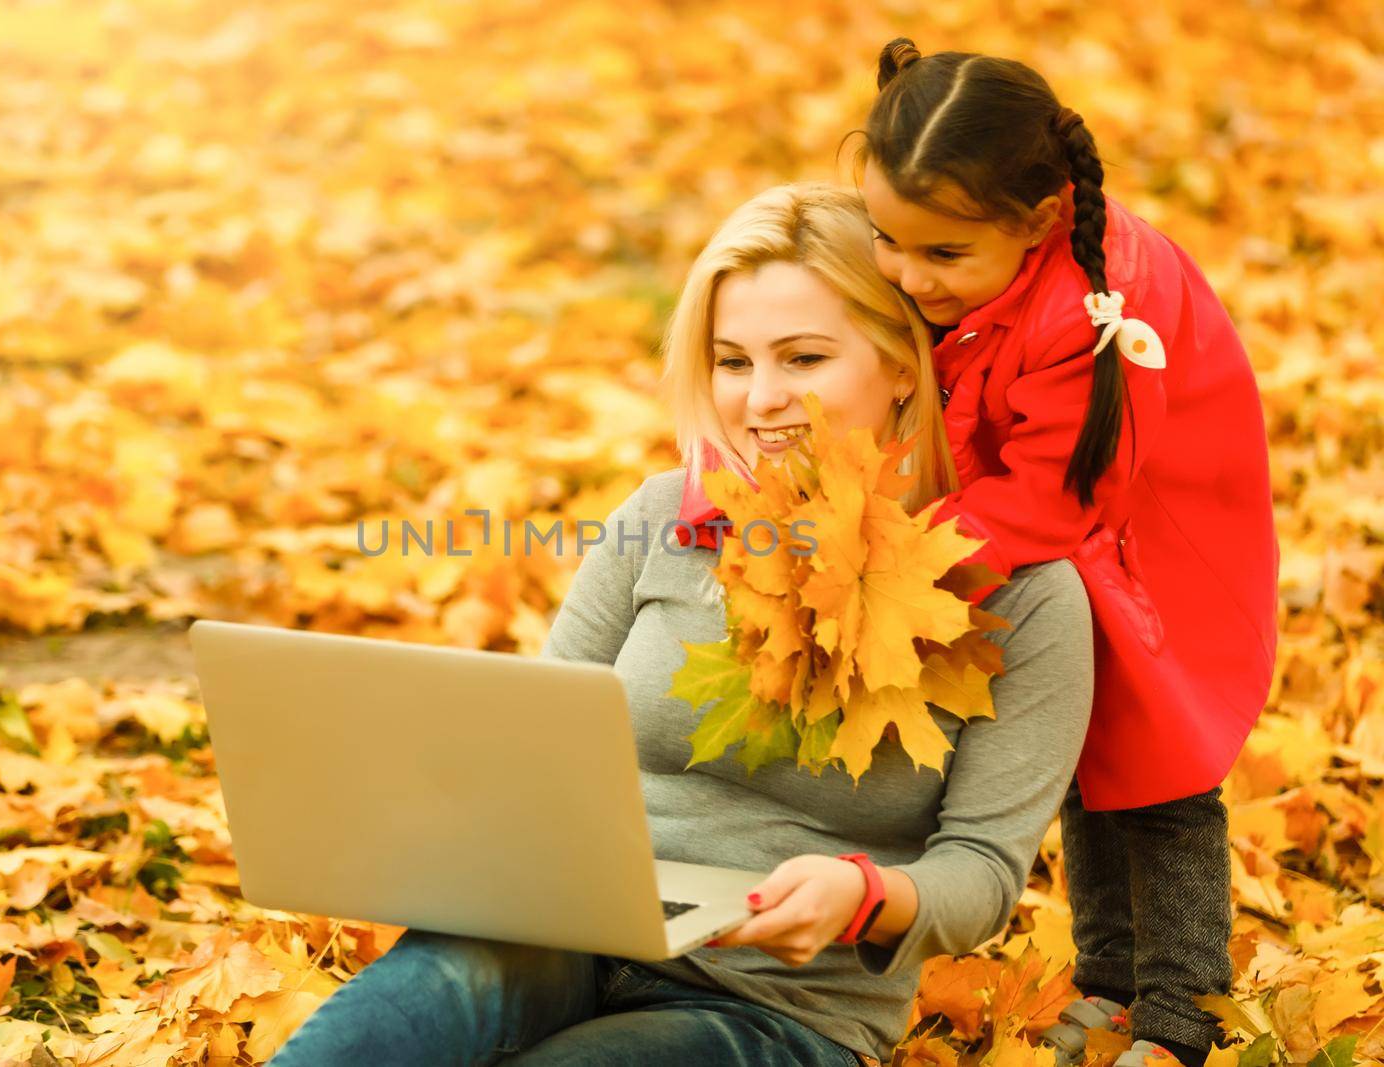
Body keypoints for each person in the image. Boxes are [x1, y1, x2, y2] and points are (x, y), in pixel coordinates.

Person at [267, 182, 1095, 1067]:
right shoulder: (663, 518)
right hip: (566, 929)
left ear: (902, 364)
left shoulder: (1020, 592)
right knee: (375, 1031)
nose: (759, 398)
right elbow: (534, 749)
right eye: (732, 362)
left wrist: (862, 896)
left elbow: (983, 871)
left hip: (780, 1010)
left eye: (803, 359)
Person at [841, 38, 1280, 1067]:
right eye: (886, 240)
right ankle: (1109, 978)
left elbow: (1052, 492)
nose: (907, 274)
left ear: (1037, 222)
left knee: (1157, 768)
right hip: (1045, 524)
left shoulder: (1096, 314)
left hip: (1150, 531)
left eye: (941, 255)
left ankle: (1180, 1011)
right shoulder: (971, 264)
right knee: (1080, 753)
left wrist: (903, 560)